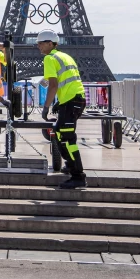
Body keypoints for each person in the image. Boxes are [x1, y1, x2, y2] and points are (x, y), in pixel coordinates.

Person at [36, 29, 87, 189]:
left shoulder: (50, 58)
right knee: (59, 132)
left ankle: (78, 175)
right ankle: (70, 164)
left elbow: (53, 85)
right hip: (75, 99)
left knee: (66, 138)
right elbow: (68, 81)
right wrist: (60, 102)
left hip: (71, 101)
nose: (38, 46)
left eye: (41, 43)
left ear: (50, 44)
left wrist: (46, 106)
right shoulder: (65, 56)